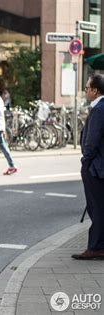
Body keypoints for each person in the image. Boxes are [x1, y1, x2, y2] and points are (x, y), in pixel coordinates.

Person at [72, 74, 104, 260]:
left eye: (87, 88)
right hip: (98, 165)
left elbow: (92, 139)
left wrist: (86, 160)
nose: (85, 91)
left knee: (96, 207)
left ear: (95, 90)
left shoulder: (99, 109)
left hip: (95, 166)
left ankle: (95, 247)